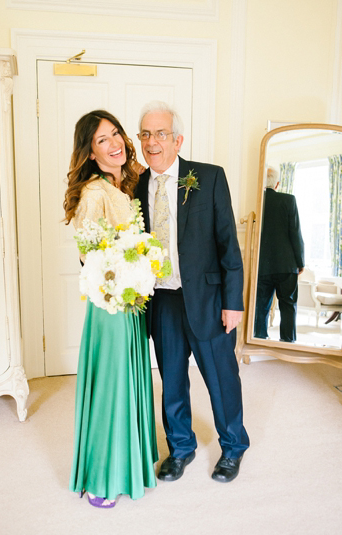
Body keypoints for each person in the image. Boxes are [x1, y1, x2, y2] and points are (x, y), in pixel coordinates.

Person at [134, 101, 249, 483]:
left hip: (209, 299)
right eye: (146, 134)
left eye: (161, 134)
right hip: (162, 300)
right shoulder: (135, 185)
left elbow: (228, 246)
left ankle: (233, 446)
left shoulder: (209, 177)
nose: (152, 142)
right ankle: (180, 447)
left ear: (178, 139)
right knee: (172, 381)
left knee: (221, 377)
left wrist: (233, 303)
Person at [64, 110, 158, 508]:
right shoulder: (94, 193)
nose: (114, 143)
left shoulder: (125, 184)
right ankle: (102, 477)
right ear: (89, 151)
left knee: (128, 381)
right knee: (111, 388)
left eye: (116, 133)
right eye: (103, 139)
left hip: (131, 301)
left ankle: (130, 461)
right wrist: (127, 276)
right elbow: (90, 258)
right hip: (112, 305)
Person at [254, 167, 305, 342]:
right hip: (286, 264)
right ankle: (288, 340)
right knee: (288, 305)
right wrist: (300, 262)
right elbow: (295, 233)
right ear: (277, 183)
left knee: (261, 305)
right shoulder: (288, 200)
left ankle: (259, 337)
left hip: (262, 265)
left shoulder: (257, 201)